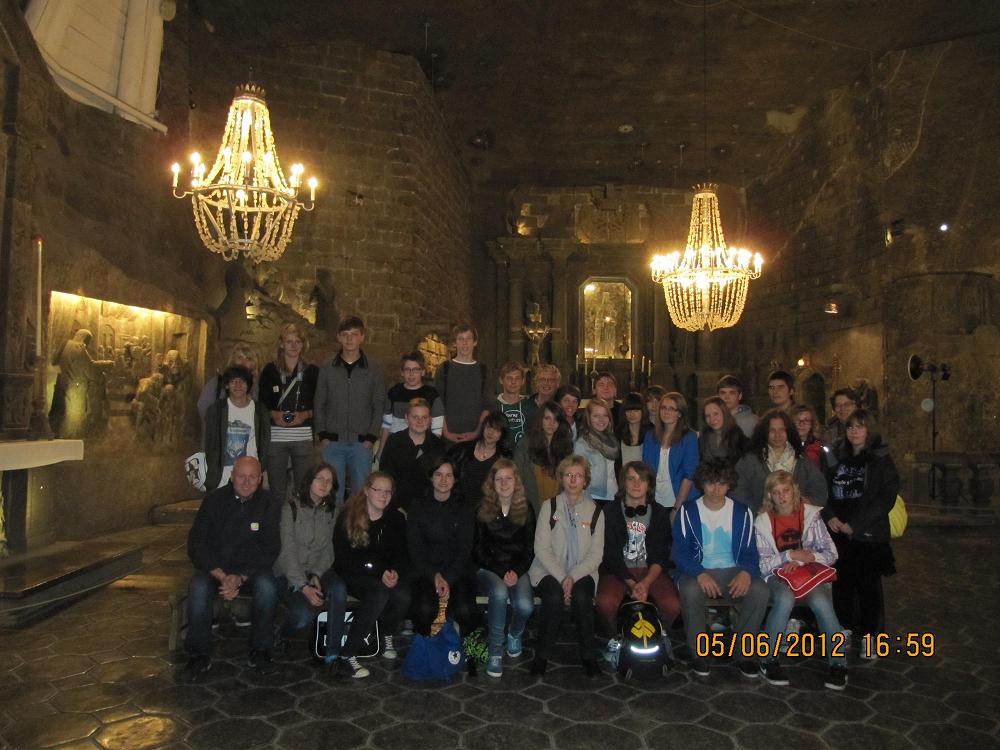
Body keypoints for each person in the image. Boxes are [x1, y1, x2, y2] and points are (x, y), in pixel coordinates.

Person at [184, 456, 280, 679]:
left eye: (252, 477)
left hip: (251, 572)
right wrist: (222, 575)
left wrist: (240, 576)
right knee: (198, 587)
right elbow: (196, 544)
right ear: (231, 476)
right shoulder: (214, 501)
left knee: (268, 587)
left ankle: (261, 651)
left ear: (260, 479)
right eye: (241, 476)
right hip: (216, 570)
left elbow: (270, 548)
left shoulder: (269, 503)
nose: (246, 482)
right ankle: (199, 654)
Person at [672, 458, 769, 678]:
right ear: (702, 483)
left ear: (729, 485)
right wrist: (699, 573)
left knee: (760, 590)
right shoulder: (688, 511)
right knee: (690, 590)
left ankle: (744, 653)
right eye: (710, 483)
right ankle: (698, 652)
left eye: (722, 484)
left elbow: (750, 551)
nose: (716, 490)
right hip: (698, 569)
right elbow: (679, 552)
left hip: (733, 569)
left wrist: (746, 572)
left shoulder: (742, 512)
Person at [754, 471, 847, 690]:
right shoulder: (763, 521)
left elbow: (831, 553)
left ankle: (838, 663)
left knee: (822, 603)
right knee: (784, 599)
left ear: (794, 491)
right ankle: (768, 659)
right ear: (769, 495)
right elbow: (763, 564)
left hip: (806, 575)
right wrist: (789, 555)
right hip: (777, 575)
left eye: (785, 491)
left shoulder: (811, 516)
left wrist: (805, 558)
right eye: (776, 492)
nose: (781, 497)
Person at [824, 409, 899, 653]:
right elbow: (825, 489)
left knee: (868, 588)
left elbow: (884, 499)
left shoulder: (880, 459)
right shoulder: (838, 456)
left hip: (867, 534)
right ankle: (843, 630)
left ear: (869, 429)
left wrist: (856, 525)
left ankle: (871, 638)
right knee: (841, 585)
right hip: (839, 532)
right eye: (850, 427)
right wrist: (830, 516)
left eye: (860, 426)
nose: (854, 431)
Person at [529, 455, 606, 677]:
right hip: (548, 570)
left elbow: (596, 554)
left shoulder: (596, 512)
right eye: (568, 475)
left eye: (578, 475)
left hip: (582, 572)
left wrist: (573, 576)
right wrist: (563, 577)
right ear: (561, 478)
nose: (573, 480)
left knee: (582, 597)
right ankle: (541, 656)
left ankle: (589, 656)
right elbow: (541, 548)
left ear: (585, 481)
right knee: (553, 596)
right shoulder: (549, 506)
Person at [331, 471, 410, 678]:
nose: (383, 495)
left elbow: (402, 554)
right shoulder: (349, 516)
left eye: (388, 491)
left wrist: (395, 572)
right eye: (378, 490)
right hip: (353, 572)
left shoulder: (395, 518)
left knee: (403, 595)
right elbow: (344, 558)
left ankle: (387, 634)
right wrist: (378, 571)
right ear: (366, 490)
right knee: (378, 594)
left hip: (384, 573)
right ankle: (347, 655)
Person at [597, 462, 679, 659]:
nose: (636, 484)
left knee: (672, 605)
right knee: (606, 602)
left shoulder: (659, 513)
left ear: (649, 485)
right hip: (618, 570)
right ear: (623, 483)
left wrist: (646, 583)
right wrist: (633, 583)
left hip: (650, 571)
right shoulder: (609, 512)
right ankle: (616, 639)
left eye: (642, 479)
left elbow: (660, 554)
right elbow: (610, 554)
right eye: (631, 478)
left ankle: (660, 635)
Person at [474, 459, 536, 678]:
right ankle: (495, 652)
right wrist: (501, 573)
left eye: (508, 478)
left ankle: (514, 633)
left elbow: (530, 548)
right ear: (492, 482)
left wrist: (516, 572)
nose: (503, 483)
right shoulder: (482, 508)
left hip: (517, 568)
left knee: (525, 606)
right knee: (499, 593)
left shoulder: (526, 508)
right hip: (489, 568)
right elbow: (477, 550)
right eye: (498, 479)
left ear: (516, 481)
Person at [314, 316, 384, 502]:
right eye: (345, 334)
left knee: (360, 495)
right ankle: (332, 522)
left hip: (361, 443)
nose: (349, 339)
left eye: (354, 334)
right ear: (338, 337)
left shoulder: (373, 368)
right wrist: (322, 434)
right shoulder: (328, 367)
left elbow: (378, 403)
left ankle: (356, 522)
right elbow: (319, 401)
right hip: (333, 441)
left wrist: (371, 436)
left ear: (362, 337)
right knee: (331, 493)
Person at [406, 457, 477, 639]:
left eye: (449, 475)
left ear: (455, 479)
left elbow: (464, 549)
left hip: (458, 571)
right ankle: (425, 648)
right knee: (424, 609)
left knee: (466, 609)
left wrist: (448, 578)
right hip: (426, 571)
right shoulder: (417, 505)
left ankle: (468, 650)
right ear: (431, 477)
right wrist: (434, 576)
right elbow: (415, 548)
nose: (443, 480)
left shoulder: (465, 507)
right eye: (438, 474)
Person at [272, 462, 337, 651]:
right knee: (302, 617)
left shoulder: (332, 511)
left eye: (329, 481)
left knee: (339, 591)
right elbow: (287, 551)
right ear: (309, 481)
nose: (324, 484)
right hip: (289, 574)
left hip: (314, 570)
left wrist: (316, 573)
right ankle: (280, 633)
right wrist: (303, 586)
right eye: (320, 479)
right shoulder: (290, 508)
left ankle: (333, 649)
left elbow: (329, 548)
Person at [259, 324, 319, 503]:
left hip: (302, 436)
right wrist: (273, 414)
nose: (293, 346)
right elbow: (261, 403)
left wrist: (305, 415)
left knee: (304, 488)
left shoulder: (312, 372)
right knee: (276, 491)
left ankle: (299, 520)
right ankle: (277, 521)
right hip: (276, 437)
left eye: (297, 342)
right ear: (281, 344)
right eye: (289, 341)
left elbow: (320, 404)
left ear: (303, 344)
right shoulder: (270, 371)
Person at [734, 410, 828, 514]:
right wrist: (756, 510)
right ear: (764, 433)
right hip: (761, 521)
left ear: (788, 432)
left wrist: (807, 504)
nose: (777, 435)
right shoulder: (749, 461)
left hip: (797, 520)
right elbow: (738, 491)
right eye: (772, 430)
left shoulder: (802, 460)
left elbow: (820, 490)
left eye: (781, 430)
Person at [203, 365, 270, 491]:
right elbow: (209, 442)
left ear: (248, 385)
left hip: (250, 473)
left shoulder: (260, 411)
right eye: (233, 381)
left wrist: (263, 467)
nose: (238, 385)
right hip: (221, 475)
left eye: (242, 381)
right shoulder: (216, 410)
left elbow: (265, 442)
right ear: (226, 385)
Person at [378, 398, 445, 512]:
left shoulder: (437, 445)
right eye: (415, 417)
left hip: (427, 506)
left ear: (430, 420)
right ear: (406, 418)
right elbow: (386, 475)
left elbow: (439, 480)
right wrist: (395, 505)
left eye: (424, 417)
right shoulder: (394, 441)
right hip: (396, 505)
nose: (420, 421)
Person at [642, 392, 700, 512]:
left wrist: (677, 508)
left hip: (679, 499)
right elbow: (646, 469)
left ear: (680, 413)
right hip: (655, 499)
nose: (666, 412)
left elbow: (689, 475)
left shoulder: (689, 437)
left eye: (672, 409)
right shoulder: (650, 436)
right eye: (663, 408)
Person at [434, 324, 492, 444]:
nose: (464, 343)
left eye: (468, 338)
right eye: (460, 339)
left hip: (476, 437)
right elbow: (437, 404)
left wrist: (477, 432)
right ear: (454, 343)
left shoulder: (483, 370)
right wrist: (446, 433)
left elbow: (487, 406)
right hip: (448, 437)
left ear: (475, 342)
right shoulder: (444, 369)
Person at [513, 401, 574, 514]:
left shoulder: (566, 446)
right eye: (547, 418)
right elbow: (517, 476)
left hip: (559, 508)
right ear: (540, 419)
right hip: (531, 506)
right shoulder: (525, 444)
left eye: (556, 419)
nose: (551, 423)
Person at [380, 351, 444, 447]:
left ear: (423, 372)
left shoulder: (432, 394)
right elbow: (386, 425)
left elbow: (437, 429)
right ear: (402, 372)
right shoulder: (394, 392)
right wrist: (381, 449)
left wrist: (430, 450)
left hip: (422, 445)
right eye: (407, 369)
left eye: (416, 370)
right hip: (396, 445)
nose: (411, 374)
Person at [449, 410, 511, 506]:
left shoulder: (505, 458)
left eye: (496, 430)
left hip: (487, 507)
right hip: (458, 504)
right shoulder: (462, 449)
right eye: (488, 427)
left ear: (502, 434)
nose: (491, 432)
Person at [197, 342, 259, 420]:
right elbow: (203, 406)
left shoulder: (255, 387)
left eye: (248, 359)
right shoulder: (217, 382)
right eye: (240, 357)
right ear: (233, 360)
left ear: (253, 364)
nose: (243, 362)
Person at [574, 397, 620, 502]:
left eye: (605, 415)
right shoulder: (581, 444)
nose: (601, 420)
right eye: (596, 416)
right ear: (588, 418)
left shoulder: (612, 439)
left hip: (614, 495)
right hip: (593, 496)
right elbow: (577, 476)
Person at [495, 361, 533, 450]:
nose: (513, 382)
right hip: (498, 456)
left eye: (517, 378)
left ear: (523, 381)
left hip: (524, 456)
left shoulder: (531, 407)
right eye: (509, 378)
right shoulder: (492, 406)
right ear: (501, 380)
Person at [699, 396, 748, 465]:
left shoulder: (739, 440)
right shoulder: (702, 438)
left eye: (716, 414)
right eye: (707, 416)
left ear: (724, 413)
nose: (712, 419)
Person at [615, 392, 649, 468]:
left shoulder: (651, 433)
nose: (632, 414)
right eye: (628, 410)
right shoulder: (618, 433)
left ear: (643, 411)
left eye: (636, 410)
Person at [792, 404, 829, 471]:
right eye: (797, 420)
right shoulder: (785, 445)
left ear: (812, 424)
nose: (801, 424)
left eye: (806, 420)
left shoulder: (821, 447)